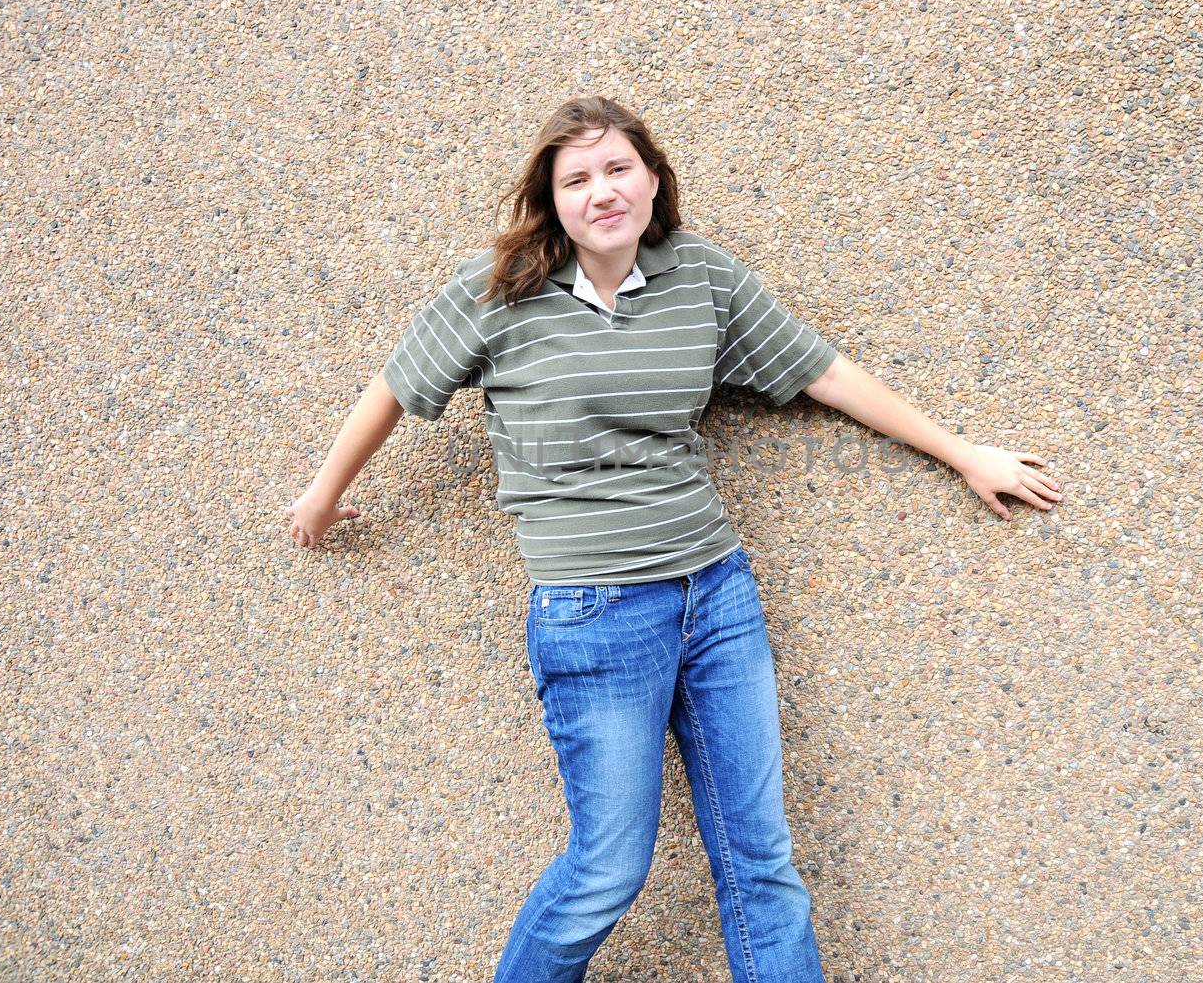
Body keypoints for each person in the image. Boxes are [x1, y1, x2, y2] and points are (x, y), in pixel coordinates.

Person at [284, 96, 1063, 982]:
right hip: (594, 613)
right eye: (577, 178)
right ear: (553, 199)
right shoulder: (497, 291)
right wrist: (320, 497)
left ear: (653, 178)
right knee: (609, 868)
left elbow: (826, 373)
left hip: (717, 594)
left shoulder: (702, 278)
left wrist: (964, 454)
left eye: (618, 168)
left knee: (761, 861)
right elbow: (393, 385)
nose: (602, 191)